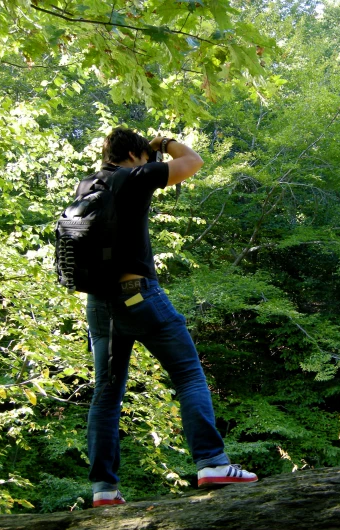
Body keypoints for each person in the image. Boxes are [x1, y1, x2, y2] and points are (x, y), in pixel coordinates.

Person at [84, 127, 257, 508]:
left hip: (99, 303)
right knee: (189, 374)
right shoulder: (133, 175)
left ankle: (104, 491)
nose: (151, 162)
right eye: (146, 156)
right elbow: (192, 162)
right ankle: (212, 463)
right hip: (137, 296)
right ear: (134, 155)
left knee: (106, 395)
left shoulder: (87, 186)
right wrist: (162, 143)